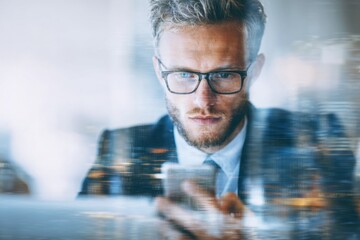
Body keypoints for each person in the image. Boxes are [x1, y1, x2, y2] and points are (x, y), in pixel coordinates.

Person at [80, 0, 359, 238]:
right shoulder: (119, 151)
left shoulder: (316, 144)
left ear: (255, 72)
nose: (203, 100)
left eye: (224, 75)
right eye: (184, 74)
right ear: (159, 73)